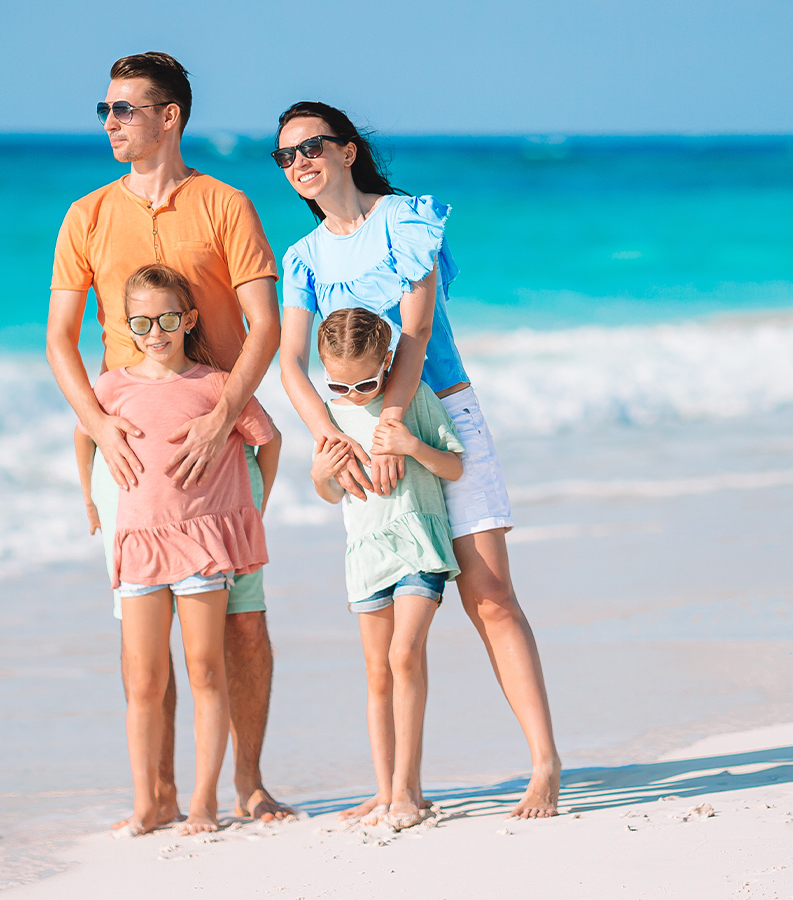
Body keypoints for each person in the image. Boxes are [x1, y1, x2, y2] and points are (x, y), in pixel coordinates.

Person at [274, 101, 563, 818]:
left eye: (311, 147)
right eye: (285, 157)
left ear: (347, 151)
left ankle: (544, 764)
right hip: (364, 437)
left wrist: (395, 421)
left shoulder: (404, 220)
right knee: (392, 624)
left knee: (489, 597)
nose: (299, 164)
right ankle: (401, 790)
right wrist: (330, 436)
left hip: (441, 418)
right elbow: (288, 363)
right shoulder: (303, 257)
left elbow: (417, 328)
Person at [47, 51, 291, 824]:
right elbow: (59, 340)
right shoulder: (85, 215)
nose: (111, 122)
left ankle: (246, 785)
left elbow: (266, 325)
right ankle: (153, 795)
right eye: (106, 110)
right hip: (129, 452)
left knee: (241, 628)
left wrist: (225, 418)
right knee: (142, 638)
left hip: (221, 443)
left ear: (169, 116)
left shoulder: (224, 204)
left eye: (125, 109)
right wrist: (98, 427)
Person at [78, 265, 280, 836]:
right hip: (139, 546)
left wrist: (247, 509)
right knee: (143, 679)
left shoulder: (216, 386)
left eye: (168, 318)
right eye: (141, 321)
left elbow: (269, 441)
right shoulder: (111, 386)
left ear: (188, 318)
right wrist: (90, 502)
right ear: (127, 325)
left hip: (200, 547)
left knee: (205, 672)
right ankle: (147, 802)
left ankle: (203, 803)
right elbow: (84, 433)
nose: (156, 331)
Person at [310, 308, 463, 829]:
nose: (354, 396)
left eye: (366, 383)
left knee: (404, 653)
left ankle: (408, 790)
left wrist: (411, 445)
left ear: (389, 362)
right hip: (367, 554)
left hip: (419, 543)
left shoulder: (412, 400)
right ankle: (383, 790)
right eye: (338, 384)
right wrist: (321, 474)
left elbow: (454, 465)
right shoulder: (331, 416)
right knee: (378, 673)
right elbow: (331, 494)